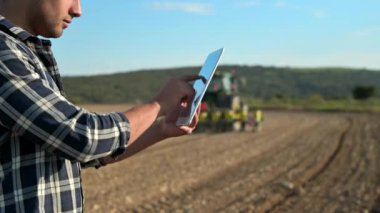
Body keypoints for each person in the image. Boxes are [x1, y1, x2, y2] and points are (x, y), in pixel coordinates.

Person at [0, 0, 200, 212]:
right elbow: (81, 136)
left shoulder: (22, 53)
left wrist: (161, 129)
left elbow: (76, 152)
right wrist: (158, 105)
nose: (77, 10)